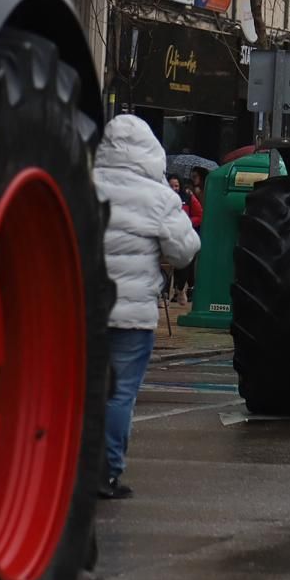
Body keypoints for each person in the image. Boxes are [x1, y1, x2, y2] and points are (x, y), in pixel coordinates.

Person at [94, 115, 200, 500]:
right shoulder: (158, 196)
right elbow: (185, 249)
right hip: (134, 316)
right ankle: (107, 471)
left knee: (86, 390)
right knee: (120, 393)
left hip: (88, 311)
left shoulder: (85, 186)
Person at [166, 175, 201, 302]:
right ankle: (164, 293)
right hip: (167, 236)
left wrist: (186, 223)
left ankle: (180, 289)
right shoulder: (162, 198)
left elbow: (199, 215)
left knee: (185, 264)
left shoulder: (188, 197)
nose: (174, 188)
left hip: (184, 235)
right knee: (166, 265)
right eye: (171, 185)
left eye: (176, 185)